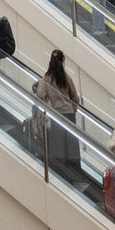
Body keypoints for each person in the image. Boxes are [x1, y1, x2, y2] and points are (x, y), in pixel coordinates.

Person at [31, 49, 81, 177]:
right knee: (71, 144)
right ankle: (75, 170)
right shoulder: (66, 77)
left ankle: (61, 171)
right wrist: (73, 109)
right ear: (62, 61)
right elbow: (75, 97)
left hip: (56, 115)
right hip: (69, 114)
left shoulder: (47, 78)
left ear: (50, 61)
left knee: (58, 145)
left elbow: (41, 94)